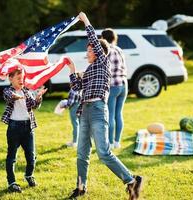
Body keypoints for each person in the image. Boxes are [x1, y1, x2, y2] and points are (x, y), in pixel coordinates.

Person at [67, 12, 143, 200]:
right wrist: (72, 71)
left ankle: (131, 180)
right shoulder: (90, 69)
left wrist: (85, 21)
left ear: (97, 51)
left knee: (103, 152)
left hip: (99, 110)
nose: (87, 52)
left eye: (89, 49)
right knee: (82, 154)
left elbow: (93, 37)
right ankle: (81, 187)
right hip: (85, 111)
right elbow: (77, 88)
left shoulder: (103, 63)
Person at [1, 67, 47, 193]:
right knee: (12, 156)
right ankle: (12, 182)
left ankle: (29, 175)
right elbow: (8, 96)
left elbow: (34, 106)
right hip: (14, 127)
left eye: (22, 78)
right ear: (10, 79)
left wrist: (38, 97)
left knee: (31, 156)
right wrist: (15, 96)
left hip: (28, 127)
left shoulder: (26, 91)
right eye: (18, 78)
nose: (21, 81)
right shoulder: (8, 91)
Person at [101, 28, 128, 149]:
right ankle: (117, 142)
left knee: (110, 115)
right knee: (118, 114)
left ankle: (110, 143)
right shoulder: (119, 49)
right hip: (123, 84)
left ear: (103, 38)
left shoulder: (106, 50)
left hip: (112, 85)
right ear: (114, 38)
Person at [62, 82, 82, 147]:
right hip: (79, 106)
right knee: (80, 123)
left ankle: (75, 141)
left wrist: (64, 105)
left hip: (74, 108)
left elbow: (70, 102)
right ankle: (80, 140)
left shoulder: (73, 89)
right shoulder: (80, 88)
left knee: (75, 124)